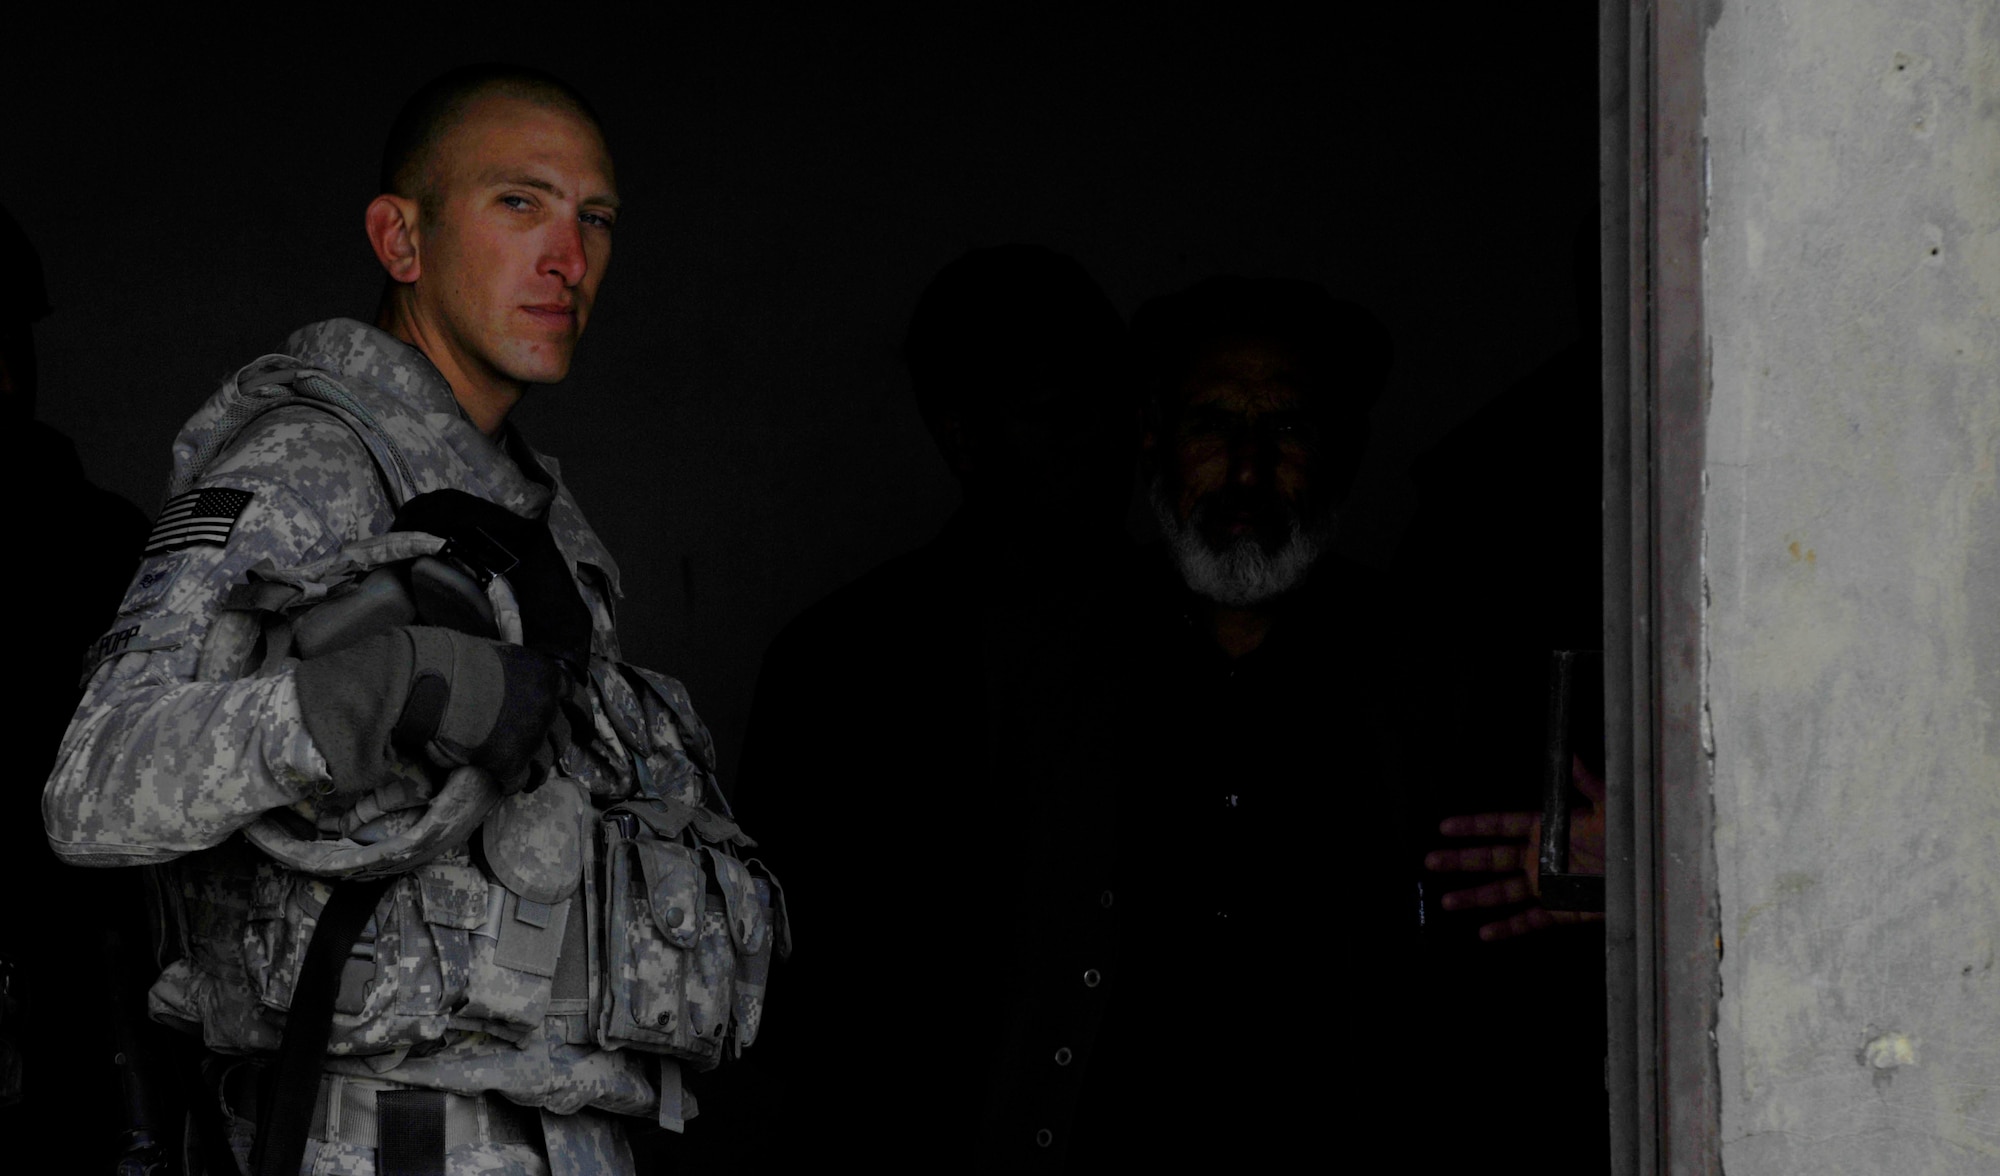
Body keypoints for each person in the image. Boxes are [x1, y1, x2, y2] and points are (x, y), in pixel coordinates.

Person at [42, 65, 767, 1176]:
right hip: (379, 1145)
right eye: (518, 203)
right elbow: (93, 786)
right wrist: (372, 692)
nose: (566, 257)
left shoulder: (538, 508)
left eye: (595, 218)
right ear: (402, 240)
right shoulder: (303, 461)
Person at [720, 244, 1131, 1170]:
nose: (1099, 439)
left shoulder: (1187, 646)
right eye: (1053, 412)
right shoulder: (837, 661)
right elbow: (780, 996)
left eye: (1114, 404)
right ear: (961, 435)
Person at [1062, 275, 1406, 1167]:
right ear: (1153, 442)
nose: (1248, 471)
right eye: (1212, 426)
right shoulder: (1059, 664)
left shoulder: (1422, 671)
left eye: (1287, 429)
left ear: (1341, 453)